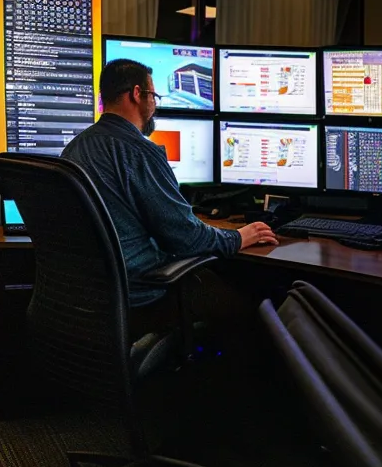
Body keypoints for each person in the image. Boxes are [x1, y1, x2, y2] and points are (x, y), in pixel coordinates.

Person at [62, 59, 276, 307]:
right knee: (251, 301)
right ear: (136, 94)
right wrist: (238, 238)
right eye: (153, 95)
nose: (154, 103)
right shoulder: (139, 151)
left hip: (88, 296)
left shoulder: (73, 149)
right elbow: (185, 237)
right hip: (142, 292)